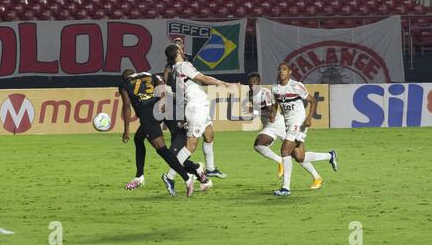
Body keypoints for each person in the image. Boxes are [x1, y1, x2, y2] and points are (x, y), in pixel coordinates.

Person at [162, 44, 233, 195]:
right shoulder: (184, 65)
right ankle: (170, 176)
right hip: (196, 107)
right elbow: (203, 79)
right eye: (180, 48)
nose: (183, 49)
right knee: (190, 146)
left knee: (209, 135)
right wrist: (221, 83)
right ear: (178, 52)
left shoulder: (174, 70)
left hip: (199, 106)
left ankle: (211, 169)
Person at [248, 72, 337, 190]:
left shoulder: (266, 93)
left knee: (298, 155)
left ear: (260, 82)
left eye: (254, 82)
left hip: (279, 124)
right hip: (268, 127)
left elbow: (270, 113)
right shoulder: (250, 94)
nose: (252, 85)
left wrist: (253, 112)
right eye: (249, 83)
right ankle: (281, 162)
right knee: (258, 145)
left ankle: (316, 174)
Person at [119, 69, 200, 197]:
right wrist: (162, 102)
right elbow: (163, 84)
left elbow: (127, 106)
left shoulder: (124, 83)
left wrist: (126, 130)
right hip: (161, 108)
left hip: (147, 113)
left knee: (161, 149)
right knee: (139, 138)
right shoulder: (148, 75)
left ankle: (187, 178)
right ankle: (139, 176)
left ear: (124, 78)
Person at [270, 63, 338, 196]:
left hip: (299, 122)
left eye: (284, 69)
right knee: (299, 157)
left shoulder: (296, 86)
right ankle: (330, 156)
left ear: (290, 72)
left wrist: (309, 118)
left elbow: (313, 101)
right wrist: (273, 113)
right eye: (280, 69)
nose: (281, 71)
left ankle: (286, 188)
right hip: (288, 124)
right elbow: (275, 104)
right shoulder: (275, 88)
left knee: (285, 150)